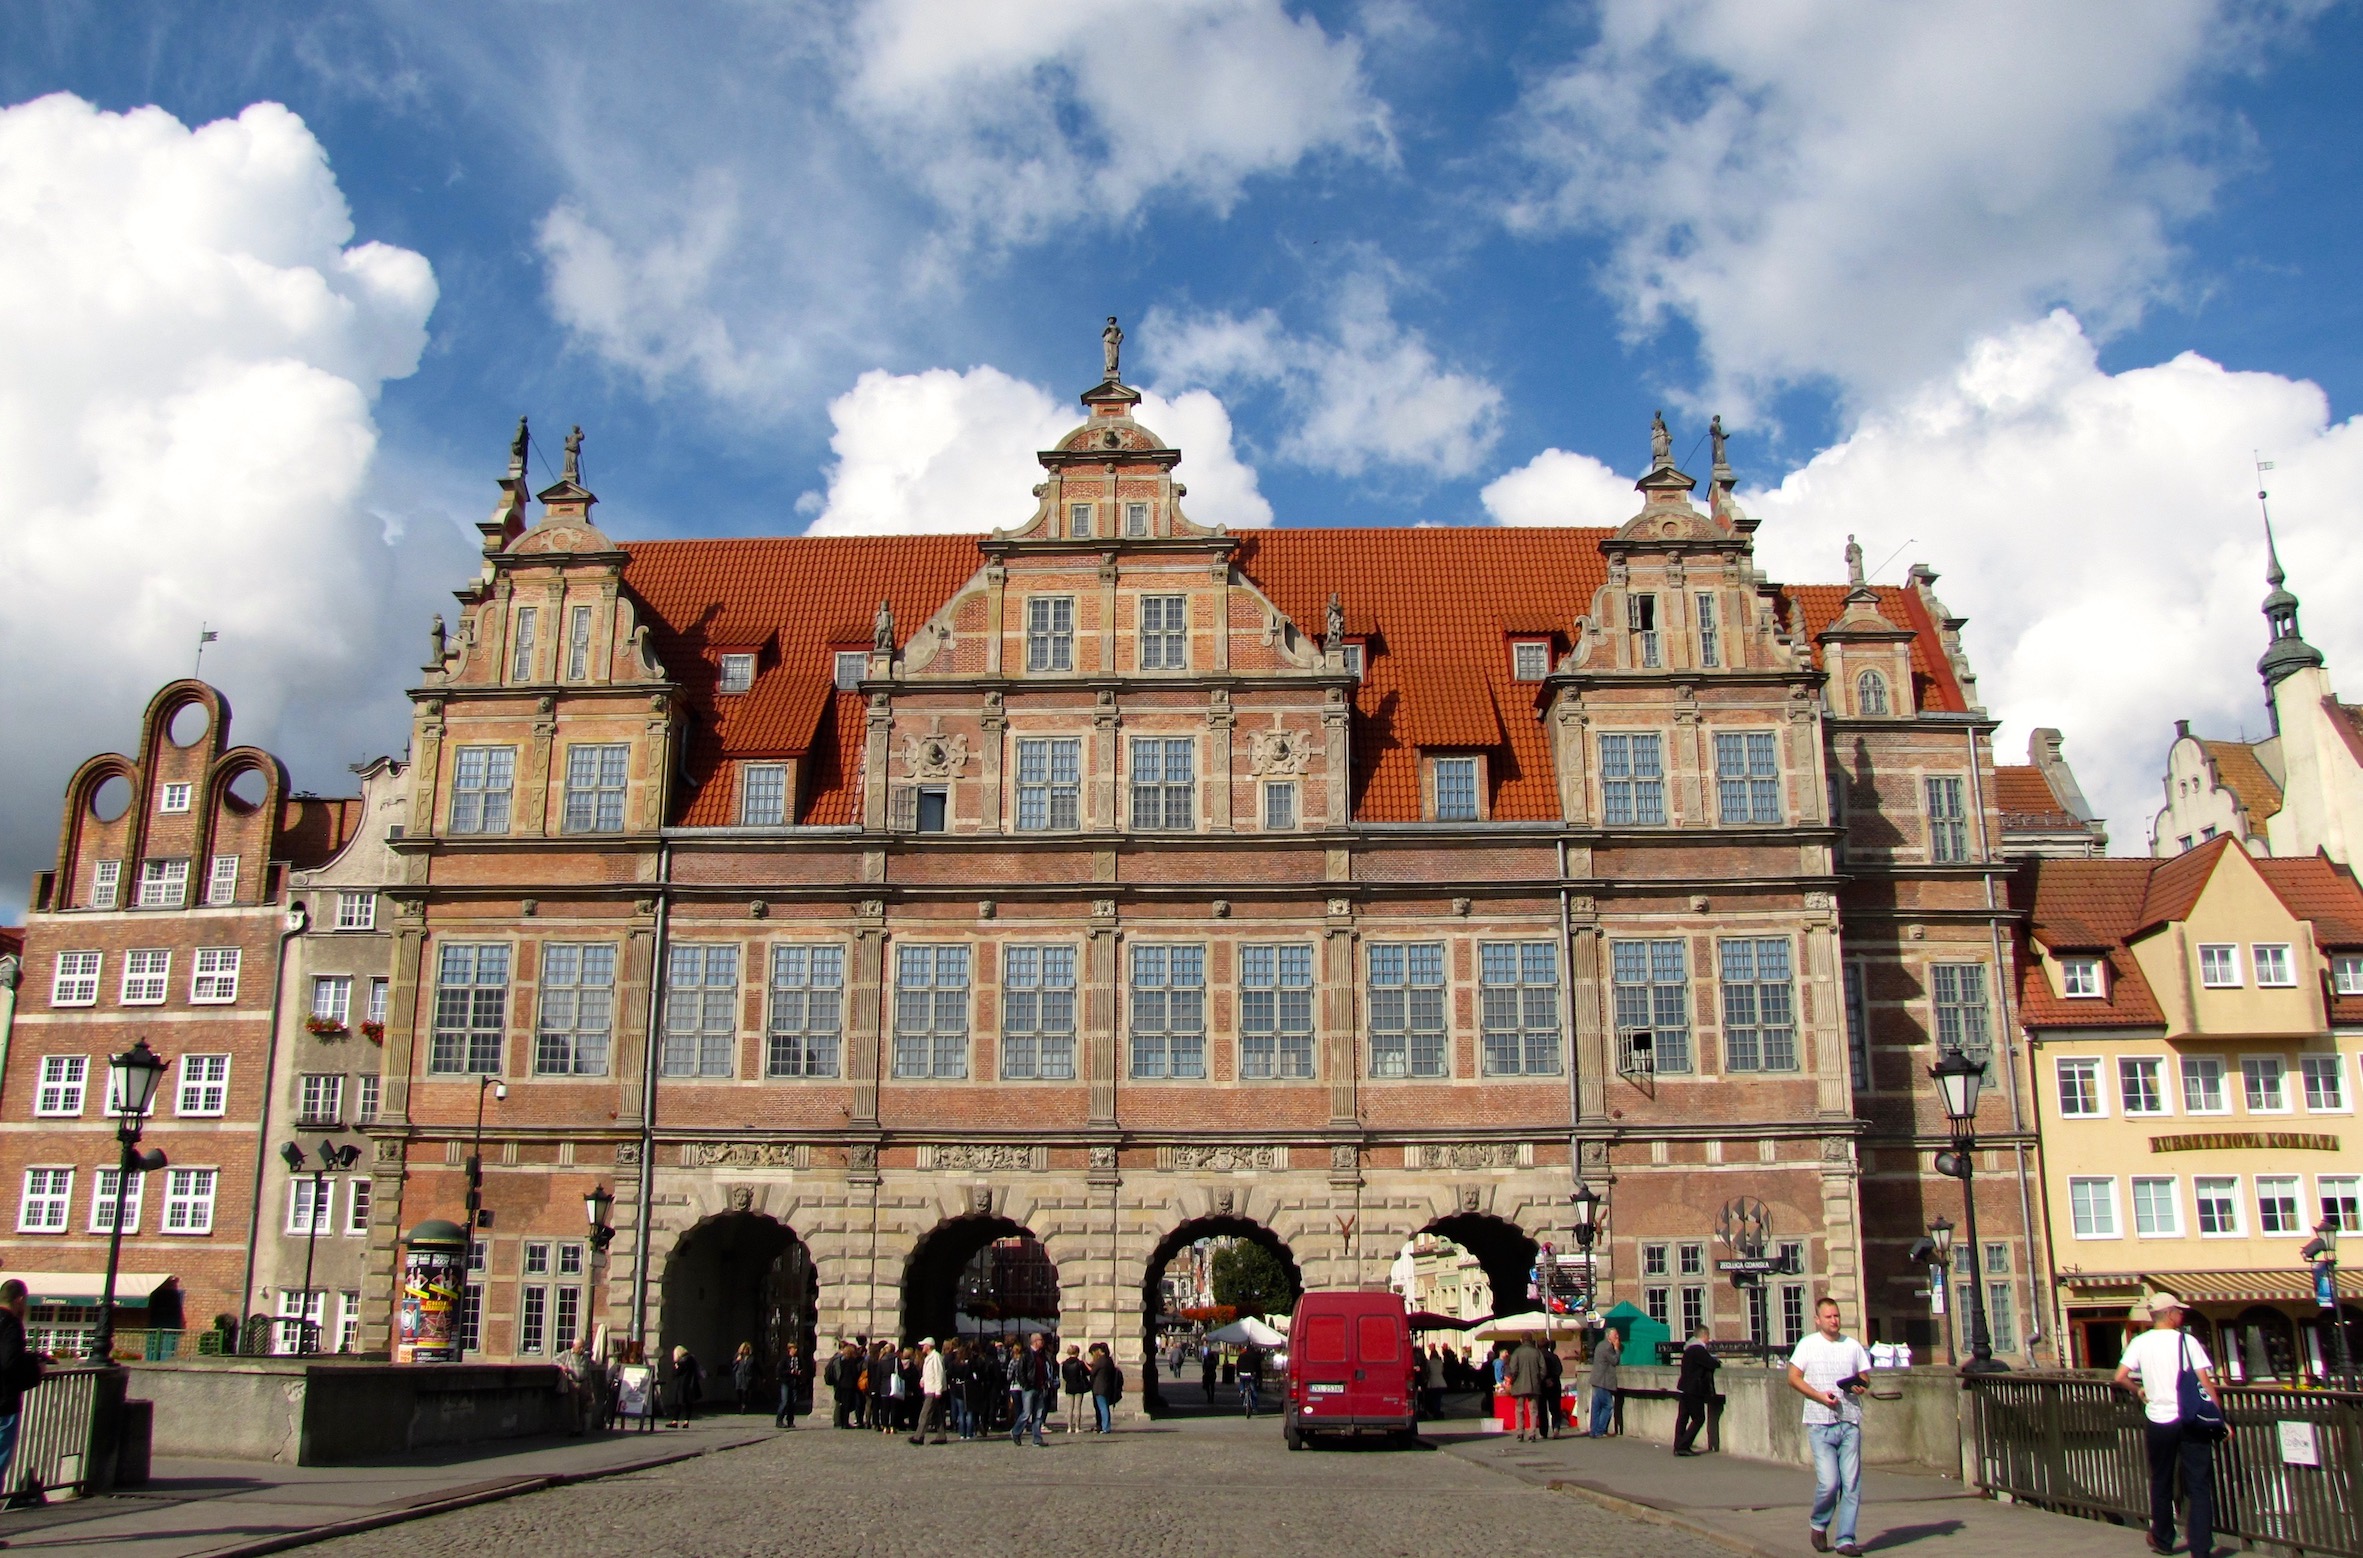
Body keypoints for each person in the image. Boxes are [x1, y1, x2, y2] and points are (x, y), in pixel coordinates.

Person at [2113, 1292, 2222, 1558]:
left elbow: (2120, 1376)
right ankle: (2200, 1547)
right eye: (2179, 1311)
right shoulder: (2187, 1342)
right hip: (2190, 1419)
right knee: (2198, 1484)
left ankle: (2163, 1538)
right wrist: (2219, 1415)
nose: (2182, 1315)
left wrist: (2138, 1391)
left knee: (2161, 1479)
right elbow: (2205, 1382)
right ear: (2171, 1314)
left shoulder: (2140, 1342)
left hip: (2158, 1419)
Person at [1786, 1297, 1873, 1556]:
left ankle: (1846, 1538)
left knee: (1851, 1483)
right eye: (1828, 1317)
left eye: (1836, 1316)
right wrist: (1818, 1396)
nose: (1834, 1321)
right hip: (1819, 1422)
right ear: (1818, 1320)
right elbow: (1793, 1378)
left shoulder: (1852, 1346)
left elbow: (1864, 1376)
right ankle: (1819, 1523)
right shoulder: (1807, 1345)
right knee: (1830, 1482)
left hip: (1849, 1421)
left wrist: (1860, 1385)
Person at [0, 1280, 43, 1505]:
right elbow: (9, 1363)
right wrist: (34, 1370)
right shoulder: (11, 1324)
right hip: (4, 1403)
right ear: (20, 1300)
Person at [1674, 1326, 1719, 1455]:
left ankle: (1678, 1445)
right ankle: (1683, 1445)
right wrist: (1717, 1362)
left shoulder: (1688, 1349)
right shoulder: (1698, 1350)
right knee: (1699, 1418)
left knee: (1682, 1418)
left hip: (1683, 1387)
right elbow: (1711, 1363)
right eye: (1708, 1336)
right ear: (1704, 1336)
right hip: (1693, 1389)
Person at [1013, 1333, 1052, 1446]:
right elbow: (1020, 1371)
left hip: (1040, 1387)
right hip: (1029, 1388)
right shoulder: (1026, 1354)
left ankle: (1037, 1439)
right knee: (1026, 1413)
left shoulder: (1042, 1355)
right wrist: (1025, 1384)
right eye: (1041, 1340)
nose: (1043, 1342)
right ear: (1035, 1341)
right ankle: (1016, 1431)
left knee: (1038, 1415)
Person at [910, 1337, 950, 1445]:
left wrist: (938, 1390)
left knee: (925, 1413)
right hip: (929, 1388)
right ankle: (941, 1436)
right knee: (937, 1415)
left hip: (933, 1390)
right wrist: (923, 1380)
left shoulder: (936, 1357)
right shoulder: (929, 1357)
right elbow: (928, 1373)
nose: (922, 1347)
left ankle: (919, 1436)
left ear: (928, 1346)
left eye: (924, 1345)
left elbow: (939, 1374)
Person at [1505, 1336, 1544, 1441]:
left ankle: (1520, 1432)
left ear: (1521, 1340)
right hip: (1534, 1385)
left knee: (1519, 1409)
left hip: (1519, 1385)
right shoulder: (1537, 1352)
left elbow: (1513, 1370)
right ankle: (1532, 1433)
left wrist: (1512, 1381)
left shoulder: (1517, 1352)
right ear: (1531, 1340)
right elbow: (1543, 1369)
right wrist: (1538, 1379)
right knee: (1533, 1410)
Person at [1587, 1326, 1621, 1438]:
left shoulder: (1600, 1344)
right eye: (1615, 1335)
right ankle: (1600, 1430)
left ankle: (1594, 1430)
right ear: (1608, 1336)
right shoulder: (1607, 1347)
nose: (1617, 1337)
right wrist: (1617, 1348)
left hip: (1597, 1379)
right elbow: (1615, 1361)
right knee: (1608, 1405)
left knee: (1596, 1407)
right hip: (1603, 1381)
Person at [1089, 1342, 1122, 1434]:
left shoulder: (1101, 1360)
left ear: (1099, 1351)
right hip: (1107, 1387)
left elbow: (1092, 1372)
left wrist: (1088, 1366)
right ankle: (1106, 1426)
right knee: (1105, 1407)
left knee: (1103, 1408)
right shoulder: (1109, 1360)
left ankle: (1105, 1427)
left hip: (1099, 1388)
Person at [667, 1344, 703, 1427]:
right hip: (691, 1384)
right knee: (688, 1403)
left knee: (678, 1403)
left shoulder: (681, 1362)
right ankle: (686, 1421)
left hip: (682, 1385)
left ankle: (675, 1421)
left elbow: (675, 1374)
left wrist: (676, 1367)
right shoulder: (692, 1359)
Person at [776, 1342, 808, 1429]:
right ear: (790, 1349)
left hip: (795, 1383)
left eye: (797, 1349)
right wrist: (789, 1371)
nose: (796, 1350)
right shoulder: (784, 1359)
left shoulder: (799, 1359)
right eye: (794, 1348)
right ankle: (779, 1420)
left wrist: (800, 1372)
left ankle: (790, 1421)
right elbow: (780, 1371)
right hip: (786, 1382)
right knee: (785, 1401)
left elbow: (803, 1368)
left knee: (793, 1403)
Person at [1061, 1344, 1091, 1433]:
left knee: (1069, 1407)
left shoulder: (1065, 1363)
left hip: (1069, 1386)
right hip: (1079, 1386)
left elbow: (1064, 1376)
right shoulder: (1080, 1363)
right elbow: (1087, 1372)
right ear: (1077, 1352)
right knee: (1077, 1407)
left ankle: (1069, 1427)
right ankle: (1077, 1427)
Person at [1539, 1343, 1565, 1439]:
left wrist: (1544, 1379)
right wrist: (1552, 1379)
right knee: (1555, 1409)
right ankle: (1556, 1428)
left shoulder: (1539, 1357)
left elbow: (1538, 1371)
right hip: (1554, 1385)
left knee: (1542, 1410)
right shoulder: (1554, 1357)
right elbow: (1559, 1370)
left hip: (1541, 1386)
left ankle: (1543, 1432)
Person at [731, 1342, 758, 1415]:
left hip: (747, 1376)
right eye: (744, 1349)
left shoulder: (751, 1357)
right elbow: (732, 1363)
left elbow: (756, 1367)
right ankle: (740, 1404)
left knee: (745, 1391)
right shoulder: (738, 1356)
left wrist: (761, 1376)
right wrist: (737, 1360)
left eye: (747, 1349)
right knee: (739, 1391)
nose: (745, 1351)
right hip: (739, 1375)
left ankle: (744, 1406)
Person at [1237, 1343, 1263, 1418]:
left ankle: (1241, 1391)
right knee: (1253, 1390)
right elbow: (1258, 1367)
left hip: (1242, 1373)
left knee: (1242, 1381)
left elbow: (1238, 1364)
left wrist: (1238, 1373)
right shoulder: (1254, 1356)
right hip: (1251, 1374)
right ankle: (1254, 1407)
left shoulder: (1241, 1355)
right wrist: (1258, 1376)